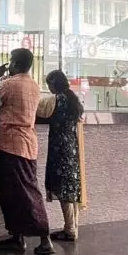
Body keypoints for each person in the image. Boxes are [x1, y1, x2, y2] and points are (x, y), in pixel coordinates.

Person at [0, 48, 54, 255]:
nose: (9, 64)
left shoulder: (8, 84)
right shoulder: (34, 85)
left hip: (10, 144)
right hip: (28, 143)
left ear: (16, 64)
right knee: (21, 191)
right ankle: (18, 237)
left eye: (10, 61)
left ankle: (43, 238)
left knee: (21, 193)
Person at [39, 70, 85, 241]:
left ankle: (70, 229)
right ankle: (72, 226)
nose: (49, 88)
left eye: (49, 84)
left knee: (62, 188)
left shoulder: (56, 99)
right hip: (71, 146)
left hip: (59, 147)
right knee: (71, 187)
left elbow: (40, 112)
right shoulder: (73, 99)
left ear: (54, 84)